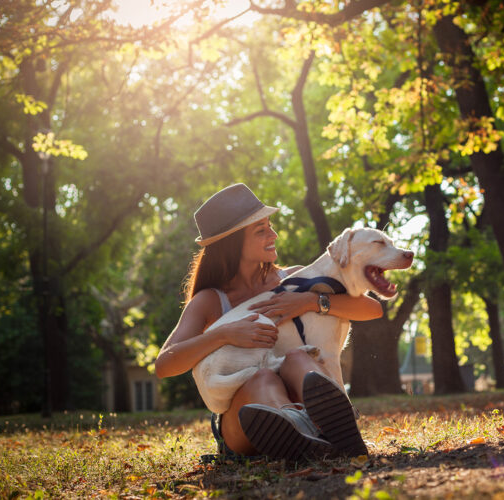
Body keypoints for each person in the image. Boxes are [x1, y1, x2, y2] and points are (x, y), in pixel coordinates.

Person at [154, 183, 382, 460]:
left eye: (269, 225)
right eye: (260, 230)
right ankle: (303, 430)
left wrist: (310, 301)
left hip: (297, 390)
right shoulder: (210, 300)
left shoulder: (294, 279)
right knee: (262, 378)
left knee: (300, 359)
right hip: (243, 422)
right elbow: (165, 364)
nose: (273, 234)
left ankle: (313, 436)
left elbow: (371, 309)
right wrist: (224, 334)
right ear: (232, 242)